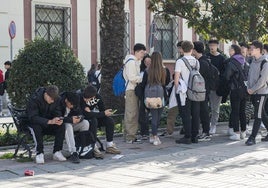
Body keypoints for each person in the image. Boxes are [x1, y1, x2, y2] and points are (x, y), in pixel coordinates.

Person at [26, 85, 66, 164]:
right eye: (51, 99)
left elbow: (57, 112)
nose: (53, 101)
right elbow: (33, 117)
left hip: (49, 122)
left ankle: (57, 151)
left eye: (54, 99)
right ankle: (39, 153)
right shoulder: (35, 99)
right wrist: (49, 121)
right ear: (46, 95)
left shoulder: (56, 99)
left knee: (61, 125)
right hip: (35, 123)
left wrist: (58, 119)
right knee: (36, 127)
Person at [79, 85, 121, 158]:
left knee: (109, 120)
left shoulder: (97, 97)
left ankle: (109, 145)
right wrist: (101, 113)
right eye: (85, 99)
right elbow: (86, 114)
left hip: (94, 115)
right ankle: (93, 146)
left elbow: (102, 110)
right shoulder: (80, 97)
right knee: (93, 120)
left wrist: (105, 113)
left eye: (89, 99)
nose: (87, 100)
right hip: (86, 120)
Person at [141, 52, 170, 145]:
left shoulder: (147, 70)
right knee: (158, 117)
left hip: (150, 96)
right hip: (161, 96)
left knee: (154, 116)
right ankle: (155, 136)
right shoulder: (165, 70)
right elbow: (166, 83)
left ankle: (153, 135)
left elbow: (143, 83)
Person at [174, 40, 201, 144]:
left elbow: (176, 78)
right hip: (195, 91)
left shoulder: (180, 61)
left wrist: (177, 89)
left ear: (182, 49)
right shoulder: (196, 61)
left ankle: (187, 136)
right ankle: (195, 136)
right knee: (195, 114)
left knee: (185, 114)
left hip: (184, 92)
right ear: (192, 49)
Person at [246, 40, 268, 146]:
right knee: (262, 114)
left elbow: (262, 80)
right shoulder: (252, 61)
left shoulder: (265, 62)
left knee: (258, 114)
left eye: (252, 48)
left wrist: (252, 89)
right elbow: (250, 76)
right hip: (253, 92)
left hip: (261, 92)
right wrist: (249, 88)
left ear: (258, 50)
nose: (250, 50)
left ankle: (252, 137)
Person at [225, 44, 249, 141]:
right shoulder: (245, 62)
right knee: (242, 111)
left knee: (235, 111)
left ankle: (236, 133)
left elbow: (227, 76)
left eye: (230, 50)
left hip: (235, 90)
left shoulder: (232, 62)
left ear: (234, 51)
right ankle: (243, 132)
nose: (229, 51)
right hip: (245, 90)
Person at [123, 43, 146, 143]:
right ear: (136, 52)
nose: (142, 55)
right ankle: (130, 137)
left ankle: (131, 135)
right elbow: (132, 78)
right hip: (131, 89)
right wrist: (143, 78)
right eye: (141, 53)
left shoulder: (136, 61)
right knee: (131, 113)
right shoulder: (131, 62)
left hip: (133, 89)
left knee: (133, 113)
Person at [60, 92, 90, 163]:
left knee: (85, 123)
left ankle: (82, 148)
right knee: (67, 125)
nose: (72, 106)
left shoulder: (75, 102)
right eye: (71, 104)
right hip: (59, 126)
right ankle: (73, 152)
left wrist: (79, 118)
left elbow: (81, 114)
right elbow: (57, 117)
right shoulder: (59, 102)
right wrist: (70, 119)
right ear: (66, 100)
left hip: (71, 123)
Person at [206, 39, 226, 134]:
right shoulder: (206, 56)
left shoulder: (221, 58)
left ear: (217, 46)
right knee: (206, 107)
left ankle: (213, 125)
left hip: (216, 87)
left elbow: (224, 73)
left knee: (215, 108)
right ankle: (207, 124)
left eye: (214, 45)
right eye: (210, 45)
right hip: (206, 86)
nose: (212, 47)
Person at [193, 41, 211, 141]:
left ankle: (206, 132)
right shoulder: (204, 60)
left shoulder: (202, 62)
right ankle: (205, 131)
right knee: (203, 111)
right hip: (204, 90)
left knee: (203, 111)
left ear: (195, 50)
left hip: (202, 91)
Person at [138, 54, 151, 139]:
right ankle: (144, 132)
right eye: (145, 62)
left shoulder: (154, 71)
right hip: (143, 94)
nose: (147, 63)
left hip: (152, 94)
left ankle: (151, 132)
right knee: (143, 114)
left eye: (149, 61)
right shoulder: (141, 71)